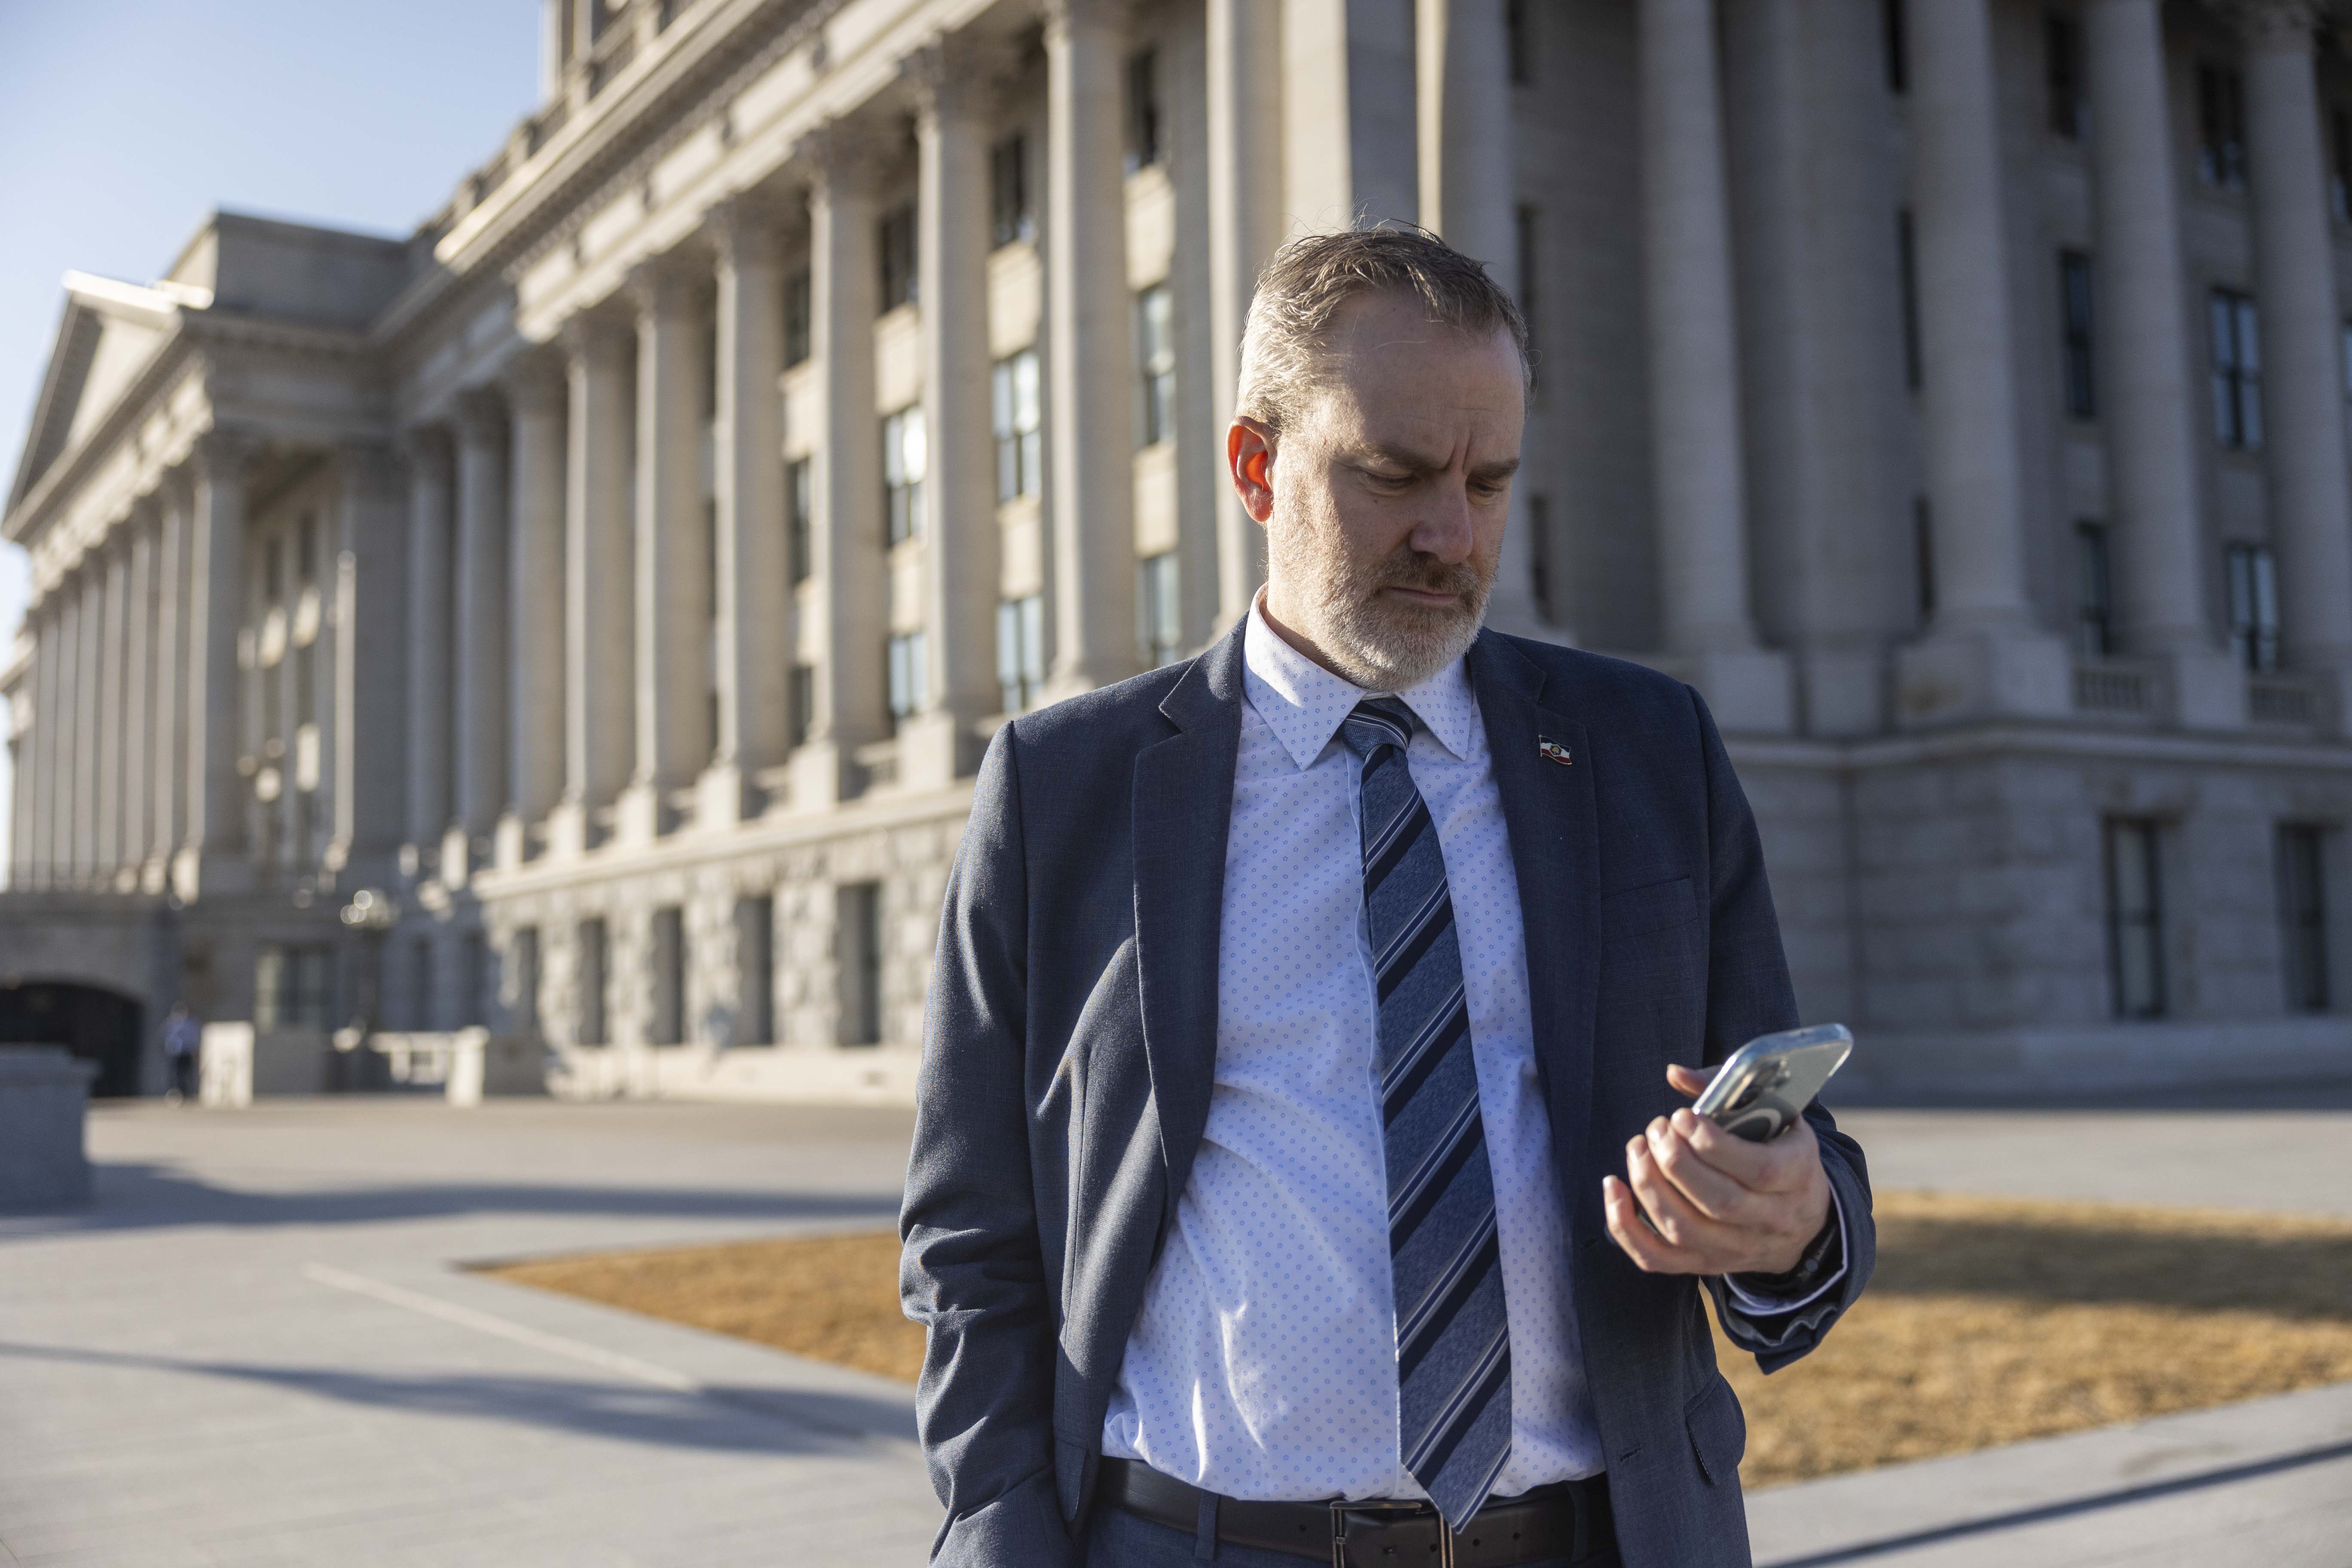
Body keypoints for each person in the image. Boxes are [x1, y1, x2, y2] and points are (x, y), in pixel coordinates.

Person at [900, 227, 1874, 1568]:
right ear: (1256, 466)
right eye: (1395, 474)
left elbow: (1803, 1167)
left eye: (1490, 481)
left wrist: (1793, 1215)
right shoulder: (1066, 789)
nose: (1451, 533)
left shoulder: (1649, 754)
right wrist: (998, 1536)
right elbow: (972, 1237)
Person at [162, 1003, 201, 1105]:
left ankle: (186, 1095)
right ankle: (175, 1094)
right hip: (175, 1053)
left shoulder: (189, 1024)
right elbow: (166, 1037)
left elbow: (193, 1039)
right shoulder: (171, 1024)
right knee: (175, 1075)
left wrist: (195, 1050)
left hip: (186, 1053)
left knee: (186, 1074)